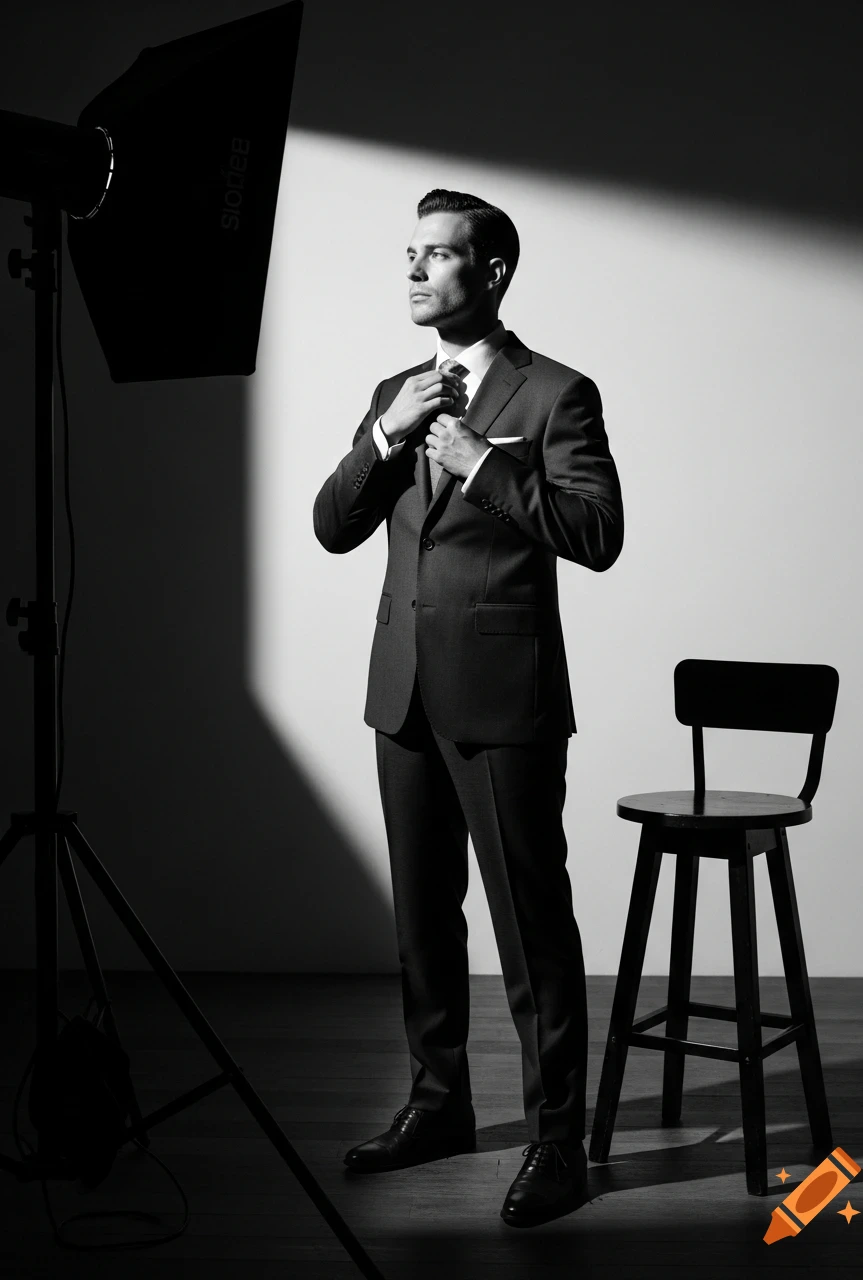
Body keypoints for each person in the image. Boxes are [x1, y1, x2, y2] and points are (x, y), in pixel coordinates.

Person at [313, 189, 623, 1228]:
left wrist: (483, 466)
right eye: (408, 253)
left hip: (502, 699)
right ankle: (438, 1105)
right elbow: (332, 523)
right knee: (421, 925)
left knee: (530, 929)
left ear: (489, 273)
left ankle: (554, 1142)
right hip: (401, 689)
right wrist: (382, 432)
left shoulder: (554, 394)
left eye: (436, 256)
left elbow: (593, 530)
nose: (412, 272)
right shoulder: (394, 390)